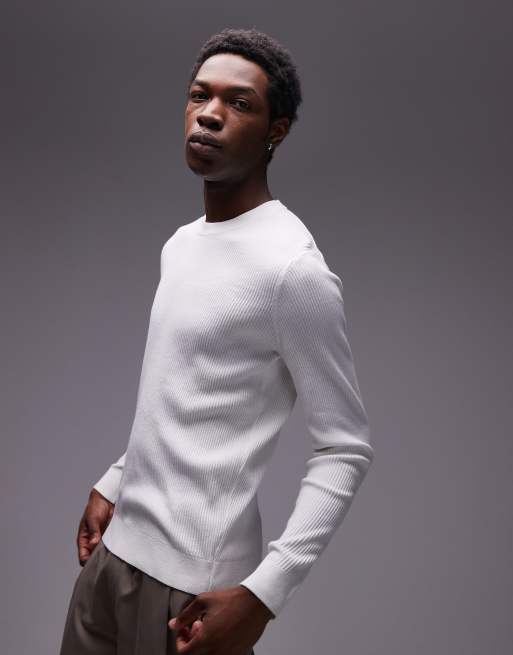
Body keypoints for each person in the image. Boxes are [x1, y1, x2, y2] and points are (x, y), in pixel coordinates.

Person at [59, 27, 374, 655]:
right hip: (110, 562)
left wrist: (263, 594)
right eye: (200, 95)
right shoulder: (181, 245)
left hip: (187, 593)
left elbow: (346, 447)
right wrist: (116, 481)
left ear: (275, 131)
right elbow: (180, 396)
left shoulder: (292, 271)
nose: (209, 113)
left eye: (239, 102)